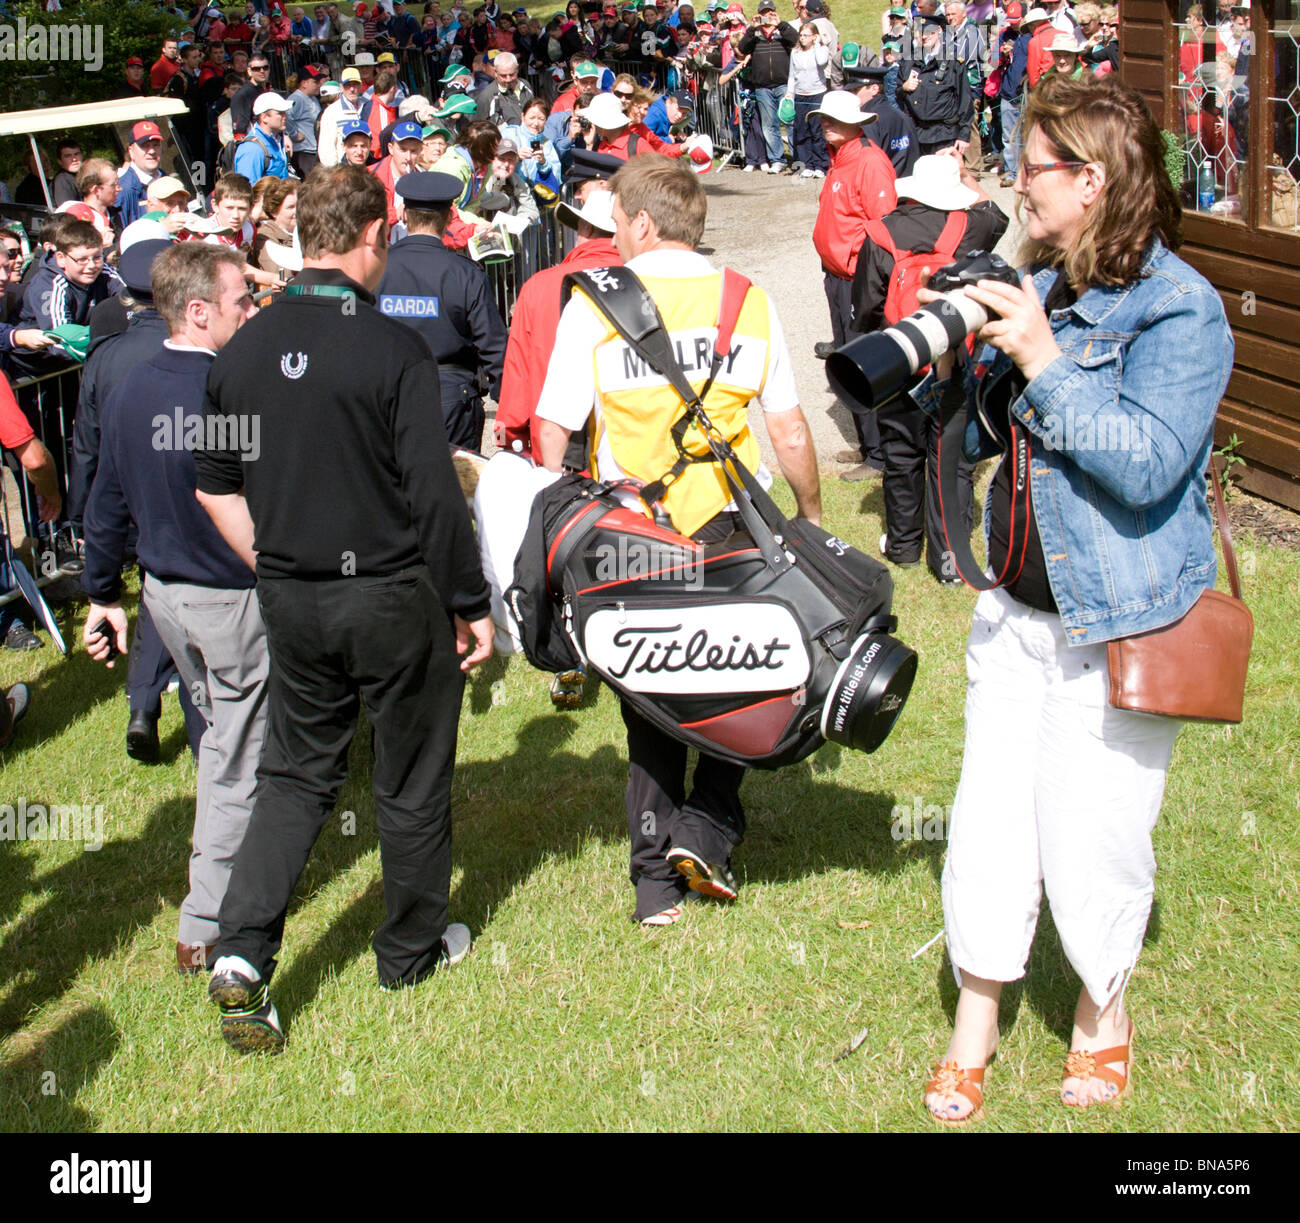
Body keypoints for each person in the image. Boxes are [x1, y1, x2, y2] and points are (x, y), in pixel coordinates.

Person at [908, 75, 1235, 1125]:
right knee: (989, 817)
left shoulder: (1182, 309)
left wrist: (1043, 361)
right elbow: (987, 442)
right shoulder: (1037, 282)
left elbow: (1143, 464)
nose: (1017, 185)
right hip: (1015, 608)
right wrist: (956, 353)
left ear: (1089, 181)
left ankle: (1101, 1011)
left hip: (1120, 619)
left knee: (1095, 828)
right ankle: (976, 1017)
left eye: (1031, 166)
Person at [194, 164, 495, 1052]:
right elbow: (436, 498)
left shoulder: (238, 352)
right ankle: (408, 950)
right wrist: (468, 600)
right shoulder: (393, 350)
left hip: (291, 597)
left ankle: (242, 950)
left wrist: (283, 561)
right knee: (408, 775)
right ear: (371, 238)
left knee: (294, 774)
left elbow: (214, 483)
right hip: (391, 593)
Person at [533, 156, 822, 927]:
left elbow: (552, 425)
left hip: (635, 533)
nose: (614, 235)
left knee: (651, 696)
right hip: (729, 523)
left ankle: (655, 883)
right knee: (738, 674)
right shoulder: (746, 299)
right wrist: (812, 511)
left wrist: (560, 518)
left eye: (620, 220)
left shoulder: (593, 305)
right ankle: (707, 824)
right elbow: (788, 426)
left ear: (644, 223)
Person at [82, 241, 267, 975]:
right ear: (199, 312)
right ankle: (206, 920)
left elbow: (106, 500)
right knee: (232, 758)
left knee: (220, 739)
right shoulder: (223, 398)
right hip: (227, 601)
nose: (252, 312)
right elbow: (251, 501)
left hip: (165, 599)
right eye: (241, 302)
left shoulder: (128, 384)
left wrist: (102, 593)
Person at [849, 153, 1007, 581]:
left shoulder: (881, 232)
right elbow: (997, 214)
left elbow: (865, 305)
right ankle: (949, 557)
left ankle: (903, 546)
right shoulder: (972, 226)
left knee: (902, 452)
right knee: (951, 456)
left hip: (900, 355)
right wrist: (968, 176)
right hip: (954, 353)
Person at [496, 151, 622, 459]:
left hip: (555, 449)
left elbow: (518, 376)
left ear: (585, 230)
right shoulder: (643, 278)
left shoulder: (538, 287)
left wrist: (510, 439)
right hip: (629, 449)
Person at [376, 171, 508, 451]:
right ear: (449, 217)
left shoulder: (377, 268)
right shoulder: (465, 274)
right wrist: (509, 408)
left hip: (390, 391)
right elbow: (494, 346)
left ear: (405, 216)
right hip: (451, 397)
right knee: (455, 488)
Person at [808, 90, 896, 477]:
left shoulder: (869, 162)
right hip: (837, 276)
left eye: (833, 118)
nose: (825, 123)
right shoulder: (839, 159)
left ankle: (879, 455)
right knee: (847, 358)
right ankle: (868, 446)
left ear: (855, 124)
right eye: (823, 118)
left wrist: (868, 282)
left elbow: (884, 227)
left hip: (857, 279)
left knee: (863, 362)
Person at [898, 14, 974, 155]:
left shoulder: (953, 62)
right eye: (920, 33)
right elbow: (897, 94)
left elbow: (965, 100)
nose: (924, 37)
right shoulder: (909, 61)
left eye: (929, 32)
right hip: (917, 134)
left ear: (939, 30)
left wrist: (964, 134)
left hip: (944, 134)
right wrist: (904, 88)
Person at [737, 0, 798, 172]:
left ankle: (796, 156)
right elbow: (742, 48)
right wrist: (752, 28)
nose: (767, 16)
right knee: (768, 125)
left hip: (783, 84)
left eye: (769, 12)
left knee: (789, 121)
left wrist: (781, 24)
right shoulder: (755, 34)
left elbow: (796, 40)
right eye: (764, 13)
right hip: (763, 86)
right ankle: (777, 159)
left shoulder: (783, 30)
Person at [845, 61, 919, 177]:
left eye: (855, 91)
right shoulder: (902, 116)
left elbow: (867, 164)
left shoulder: (868, 120)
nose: (852, 96)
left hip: (882, 186)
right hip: (906, 185)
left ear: (874, 89)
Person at [785, 22, 830, 177]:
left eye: (806, 35)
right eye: (801, 35)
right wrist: (790, 93)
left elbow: (822, 62)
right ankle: (807, 165)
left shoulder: (821, 50)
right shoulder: (795, 52)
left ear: (814, 36)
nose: (802, 38)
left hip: (817, 94)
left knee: (817, 130)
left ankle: (821, 165)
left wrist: (817, 44)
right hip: (801, 95)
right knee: (802, 131)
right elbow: (792, 75)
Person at [233, 92, 292, 180]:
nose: (285, 116)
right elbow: (248, 189)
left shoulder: (278, 139)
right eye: (280, 113)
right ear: (264, 117)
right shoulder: (251, 149)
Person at [117, 122, 165, 228]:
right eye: (145, 146)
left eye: (156, 145)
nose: (152, 151)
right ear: (131, 151)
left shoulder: (168, 181)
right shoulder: (123, 190)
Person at [285, 64, 326, 177]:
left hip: (313, 149)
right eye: (315, 81)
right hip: (304, 152)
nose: (319, 84)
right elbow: (286, 116)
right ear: (304, 83)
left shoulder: (313, 98)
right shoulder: (296, 98)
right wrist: (294, 134)